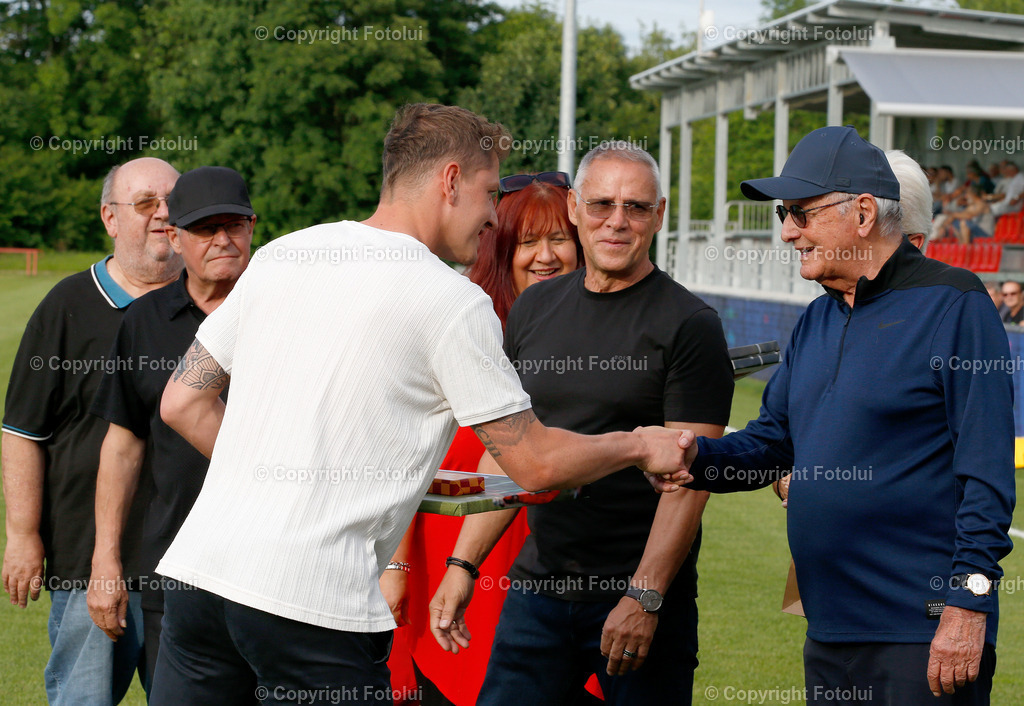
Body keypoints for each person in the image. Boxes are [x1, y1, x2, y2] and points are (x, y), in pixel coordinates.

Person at [147, 104, 692, 706]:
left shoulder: (284, 253)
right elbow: (534, 462)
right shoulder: (452, 302)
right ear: (451, 180)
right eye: (489, 192)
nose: (493, 216)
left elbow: (183, 401)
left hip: (200, 578)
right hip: (312, 603)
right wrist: (639, 444)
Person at [676, 126, 1014, 705]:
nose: (787, 232)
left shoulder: (956, 304)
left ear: (862, 213)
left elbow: (986, 472)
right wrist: (688, 456)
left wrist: (968, 603)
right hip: (829, 628)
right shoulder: (817, 318)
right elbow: (772, 444)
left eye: (800, 213)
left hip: (923, 631)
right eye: (784, 214)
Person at [431, 141, 734, 706]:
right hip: (539, 592)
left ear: (659, 215)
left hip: (637, 597)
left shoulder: (691, 324)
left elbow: (690, 484)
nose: (617, 221)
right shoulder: (533, 308)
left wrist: (643, 598)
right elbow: (509, 450)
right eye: (601, 204)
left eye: (636, 207)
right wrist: (463, 564)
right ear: (574, 208)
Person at [385, 171, 582, 706]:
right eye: (527, 241)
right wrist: (397, 564)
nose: (545, 256)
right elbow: (402, 453)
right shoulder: (459, 324)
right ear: (501, 250)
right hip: (444, 557)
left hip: (554, 565)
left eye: (559, 238)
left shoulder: (599, 340)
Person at [2, 157, 182, 705]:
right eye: (145, 203)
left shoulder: (212, 305)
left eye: (173, 202)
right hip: (86, 562)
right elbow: (23, 431)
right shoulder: (68, 306)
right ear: (110, 218)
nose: (163, 214)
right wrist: (23, 534)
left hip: (189, 563)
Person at [86, 166, 255, 691]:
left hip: (273, 569)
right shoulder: (144, 320)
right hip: (176, 570)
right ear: (176, 238)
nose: (223, 239)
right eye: (205, 228)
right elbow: (123, 446)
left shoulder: (287, 312)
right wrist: (105, 560)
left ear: (252, 227)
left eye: (234, 225)